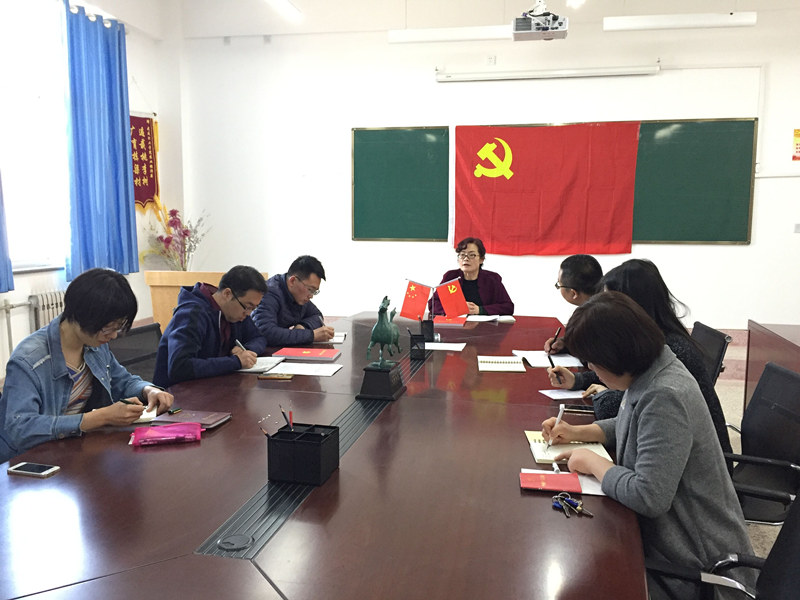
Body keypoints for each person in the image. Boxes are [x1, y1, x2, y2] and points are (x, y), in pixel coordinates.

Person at [542, 292, 753, 600]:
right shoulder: (651, 369)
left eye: (593, 363)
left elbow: (648, 495)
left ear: (615, 356)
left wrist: (595, 463)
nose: (592, 370)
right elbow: (634, 422)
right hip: (665, 539)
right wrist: (579, 431)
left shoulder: (665, 394)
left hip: (697, 565)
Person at [547, 259, 733, 455]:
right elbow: (622, 388)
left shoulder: (667, 353)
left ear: (632, 306)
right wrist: (578, 380)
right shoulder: (653, 341)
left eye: (612, 302)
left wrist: (603, 394)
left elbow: (618, 409)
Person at [0, 268, 174, 462]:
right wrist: (99, 417)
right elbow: (21, 428)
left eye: (118, 327)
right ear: (83, 315)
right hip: (32, 462)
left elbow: (121, 381)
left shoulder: (94, 344)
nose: (113, 335)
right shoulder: (28, 360)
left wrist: (148, 390)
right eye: (108, 327)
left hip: (75, 450)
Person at [153, 265, 267, 388]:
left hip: (213, 386)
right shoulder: (192, 313)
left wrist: (246, 351)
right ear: (227, 294)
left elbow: (259, 338)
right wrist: (236, 361)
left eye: (253, 309)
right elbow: (180, 367)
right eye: (248, 307)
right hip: (177, 393)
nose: (248, 313)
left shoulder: (236, 312)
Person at [251, 255, 334, 346]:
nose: (311, 296)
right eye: (310, 289)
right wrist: (311, 335)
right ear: (292, 281)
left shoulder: (299, 296)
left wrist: (303, 326)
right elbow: (266, 332)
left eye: (314, 291)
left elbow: (316, 315)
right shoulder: (269, 293)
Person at [429, 237, 514, 316]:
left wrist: (480, 310)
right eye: (462, 255)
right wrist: (456, 309)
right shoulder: (450, 277)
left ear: (481, 259)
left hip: (485, 326)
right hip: (456, 325)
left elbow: (508, 307)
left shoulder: (492, 279)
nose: (466, 259)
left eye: (472, 255)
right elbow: (433, 304)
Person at [544, 254, 602, 353]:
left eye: (559, 285)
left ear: (573, 293)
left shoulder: (593, 319)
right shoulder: (611, 302)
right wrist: (565, 343)